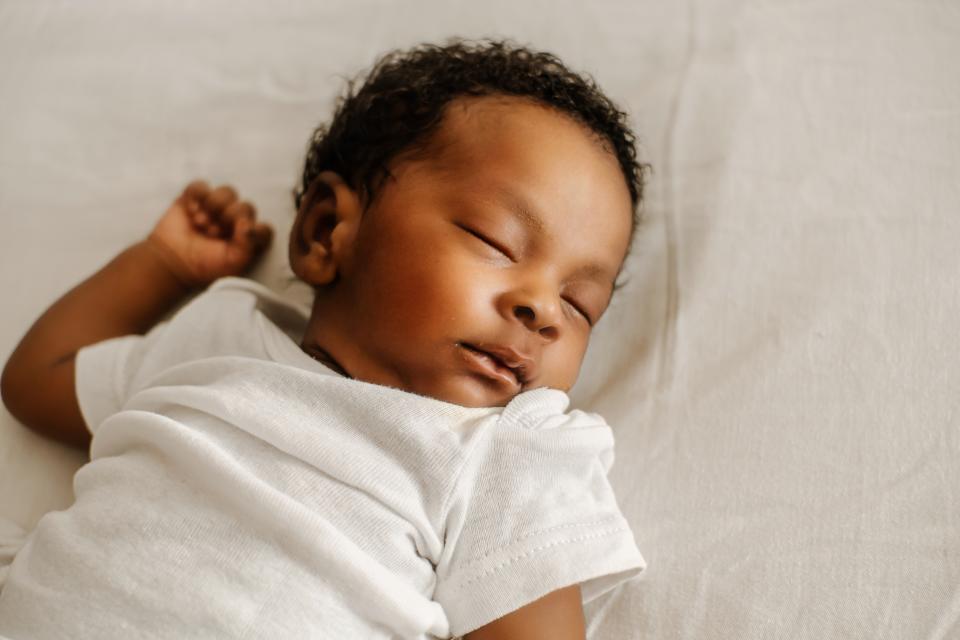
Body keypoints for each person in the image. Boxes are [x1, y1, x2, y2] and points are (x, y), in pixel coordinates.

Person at [0, 39, 647, 639]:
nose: (543, 309)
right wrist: (161, 266)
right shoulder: (218, 337)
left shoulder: (503, 457)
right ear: (325, 231)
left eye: (579, 303)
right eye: (495, 241)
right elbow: (36, 379)